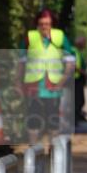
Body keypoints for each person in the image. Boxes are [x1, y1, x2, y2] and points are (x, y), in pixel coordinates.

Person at [21, 9, 76, 143]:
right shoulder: (30, 37)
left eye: (47, 24)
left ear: (52, 24)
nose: (44, 27)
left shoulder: (60, 37)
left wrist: (62, 81)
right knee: (33, 118)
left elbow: (70, 60)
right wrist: (18, 80)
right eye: (41, 24)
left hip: (52, 86)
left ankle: (53, 152)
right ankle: (33, 151)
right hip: (34, 85)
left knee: (53, 119)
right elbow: (21, 60)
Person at [73, 35, 87, 124]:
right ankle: (75, 119)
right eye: (84, 43)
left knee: (80, 100)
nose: (85, 45)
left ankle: (78, 116)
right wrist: (83, 72)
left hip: (79, 79)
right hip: (75, 80)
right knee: (78, 100)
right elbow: (73, 65)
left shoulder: (78, 52)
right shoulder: (74, 51)